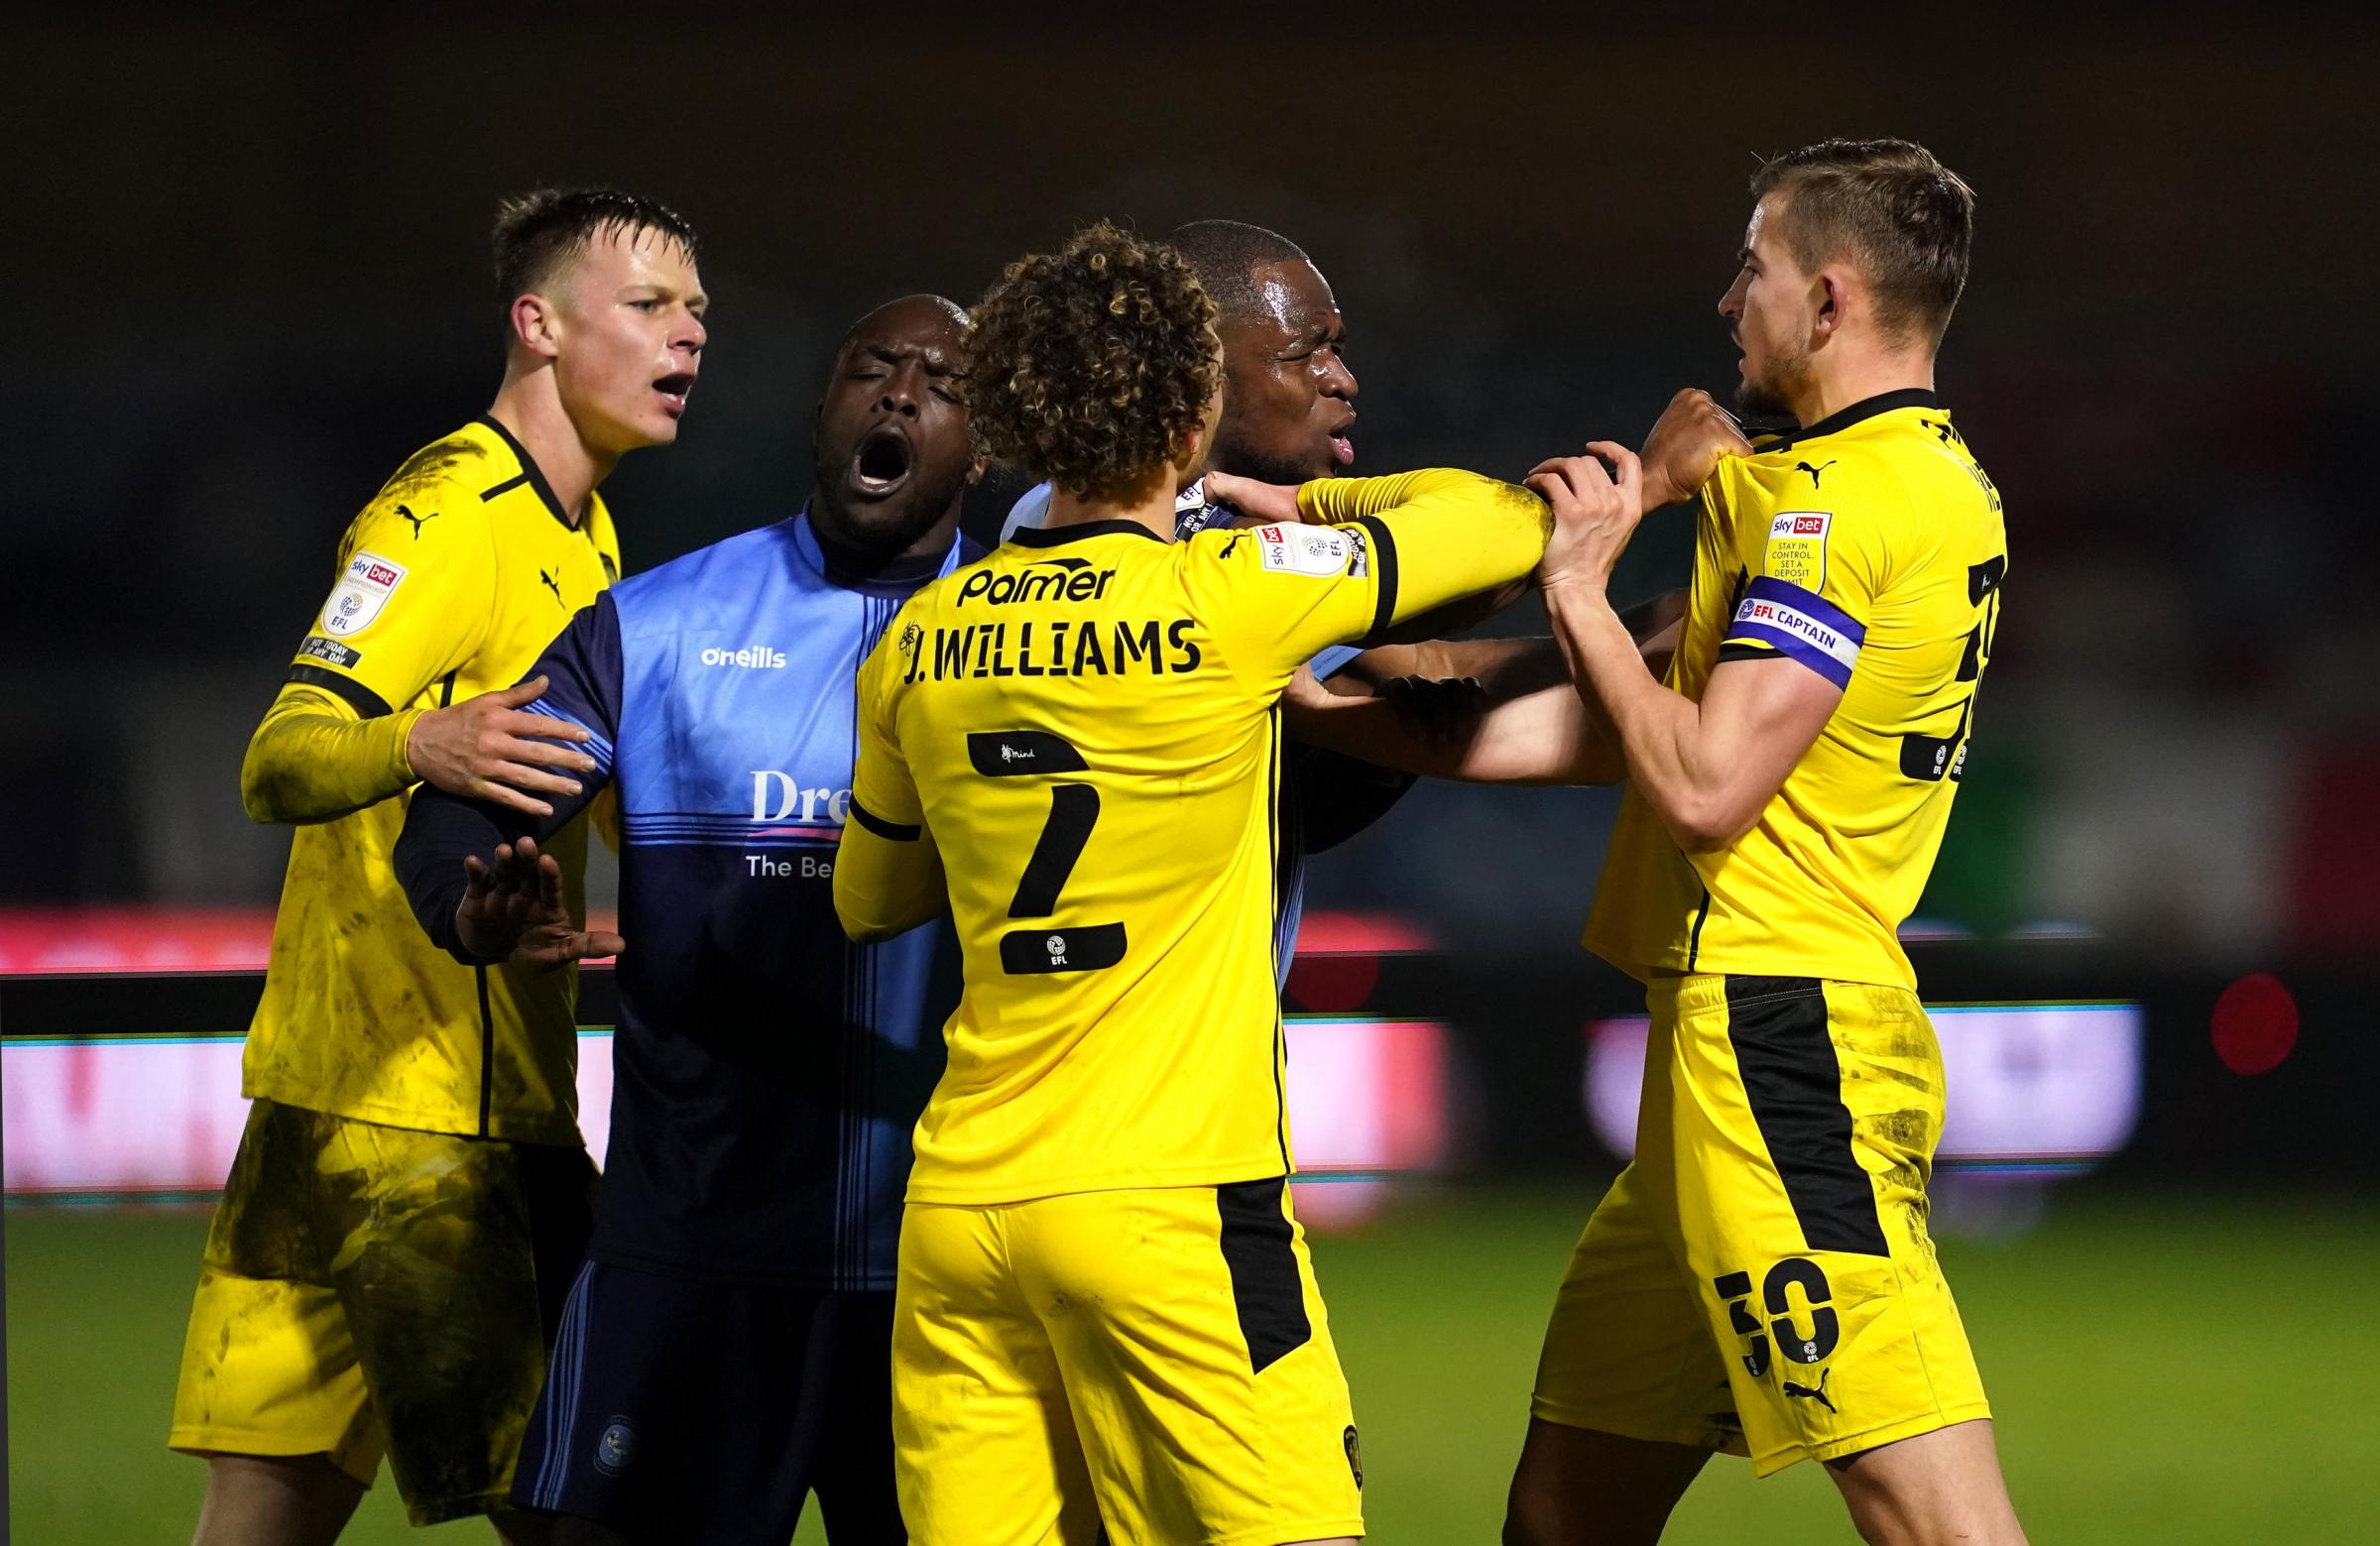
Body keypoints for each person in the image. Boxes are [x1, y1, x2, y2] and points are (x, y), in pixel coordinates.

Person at [1309, 138, 2019, 1545]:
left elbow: (1698, 781)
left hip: (1777, 1038)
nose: (1723, 301)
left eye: (1749, 269)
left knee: (1935, 1516)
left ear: (1826, 303)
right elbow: (1605, 723)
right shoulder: (1921, 484)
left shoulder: (1831, 507)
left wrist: (1576, 579)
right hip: (1720, 1072)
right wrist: (1304, 693)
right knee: (1567, 1509)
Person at [832, 221, 1554, 1546]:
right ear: (1196, 412)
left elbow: (869, 902)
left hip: (964, 1210)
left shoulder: (918, 640)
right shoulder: (1230, 595)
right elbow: (1499, 523)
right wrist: (1308, 512)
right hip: (1171, 1197)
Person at [395, 296, 981, 1546]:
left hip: (954, 1272)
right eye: (869, 367)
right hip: (693, 1248)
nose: (898, 393)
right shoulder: (660, 624)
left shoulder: (1034, 632)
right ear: (820, 411)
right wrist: (472, 905)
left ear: (984, 446)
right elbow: (459, 811)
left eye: (942, 378)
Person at [169, 188, 706, 1545]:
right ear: (537, 322)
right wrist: (426, 737)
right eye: (649, 305)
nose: (690, 335)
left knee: (263, 1508)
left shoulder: (586, 533)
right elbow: (281, 754)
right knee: (594, 1497)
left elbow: (550, 786)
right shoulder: (438, 514)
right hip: (424, 1132)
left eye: (698, 310)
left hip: (332, 1101)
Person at [1000, 219, 1596, 978]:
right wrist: (1648, 497)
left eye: (1336, 347)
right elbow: (1481, 574)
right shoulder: (1218, 560)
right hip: (1173, 1062)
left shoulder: (1046, 518)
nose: (1340, 378)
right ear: (1200, 376)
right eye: (1303, 350)